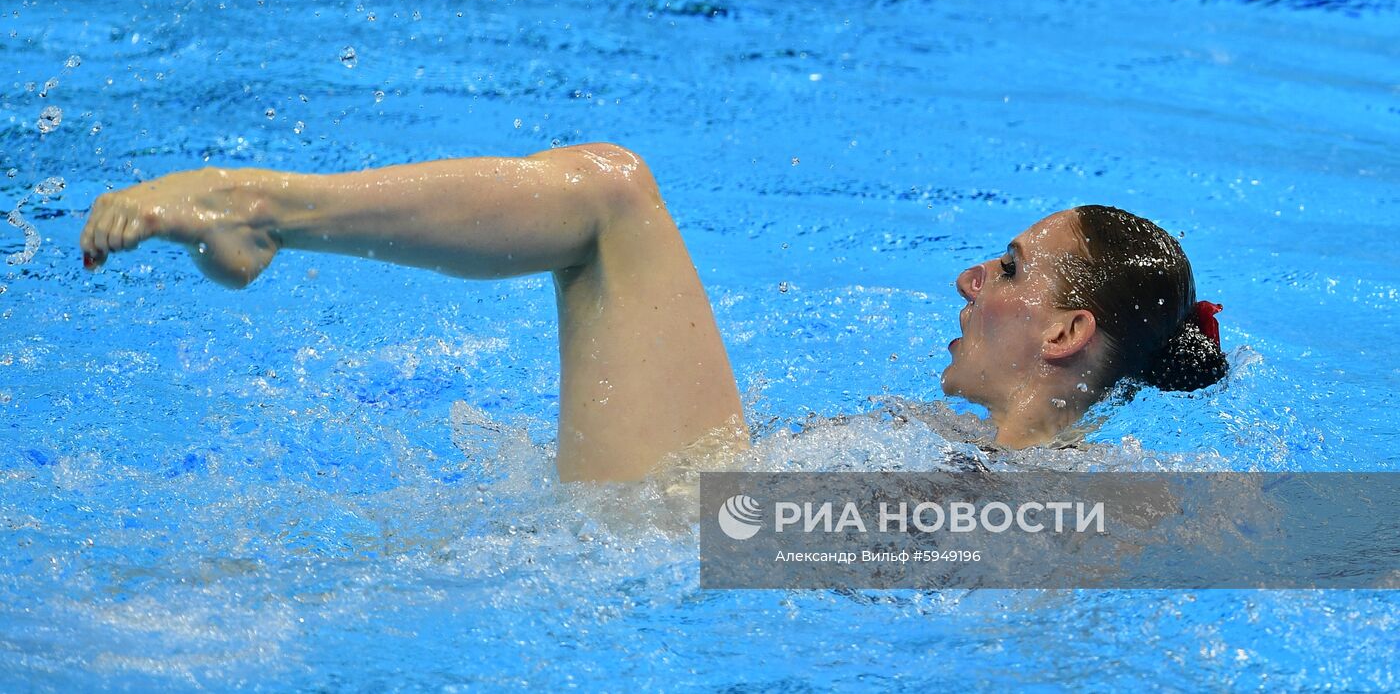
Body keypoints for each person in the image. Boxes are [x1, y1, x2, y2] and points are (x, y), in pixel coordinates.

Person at [78, 143, 1228, 481]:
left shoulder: (1093, 496)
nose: (970, 282)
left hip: (682, 528)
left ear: (1066, 334)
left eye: (1010, 268)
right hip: (680, 532)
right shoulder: (959, 448)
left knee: (608, 198)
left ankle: (254, 207)